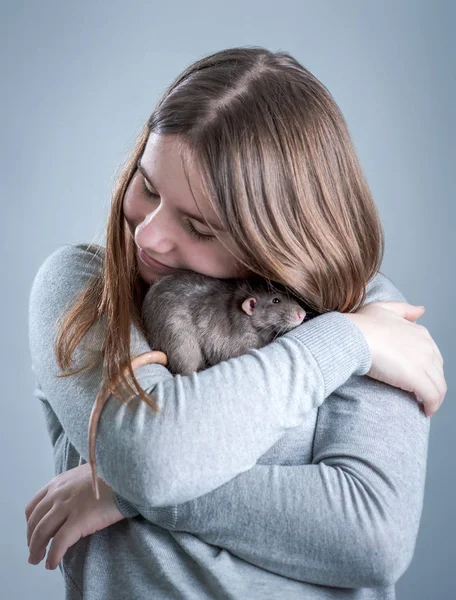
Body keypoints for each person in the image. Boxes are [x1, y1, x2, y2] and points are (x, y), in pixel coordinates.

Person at [26, 47, 445, 600]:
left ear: (277, 236)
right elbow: (153, 456)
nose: (147, 235)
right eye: (148, 187)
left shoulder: (368, 306)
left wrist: (123, 493)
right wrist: (346, 342)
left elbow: (373, 539)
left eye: (198, 226)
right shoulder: (87, 292)